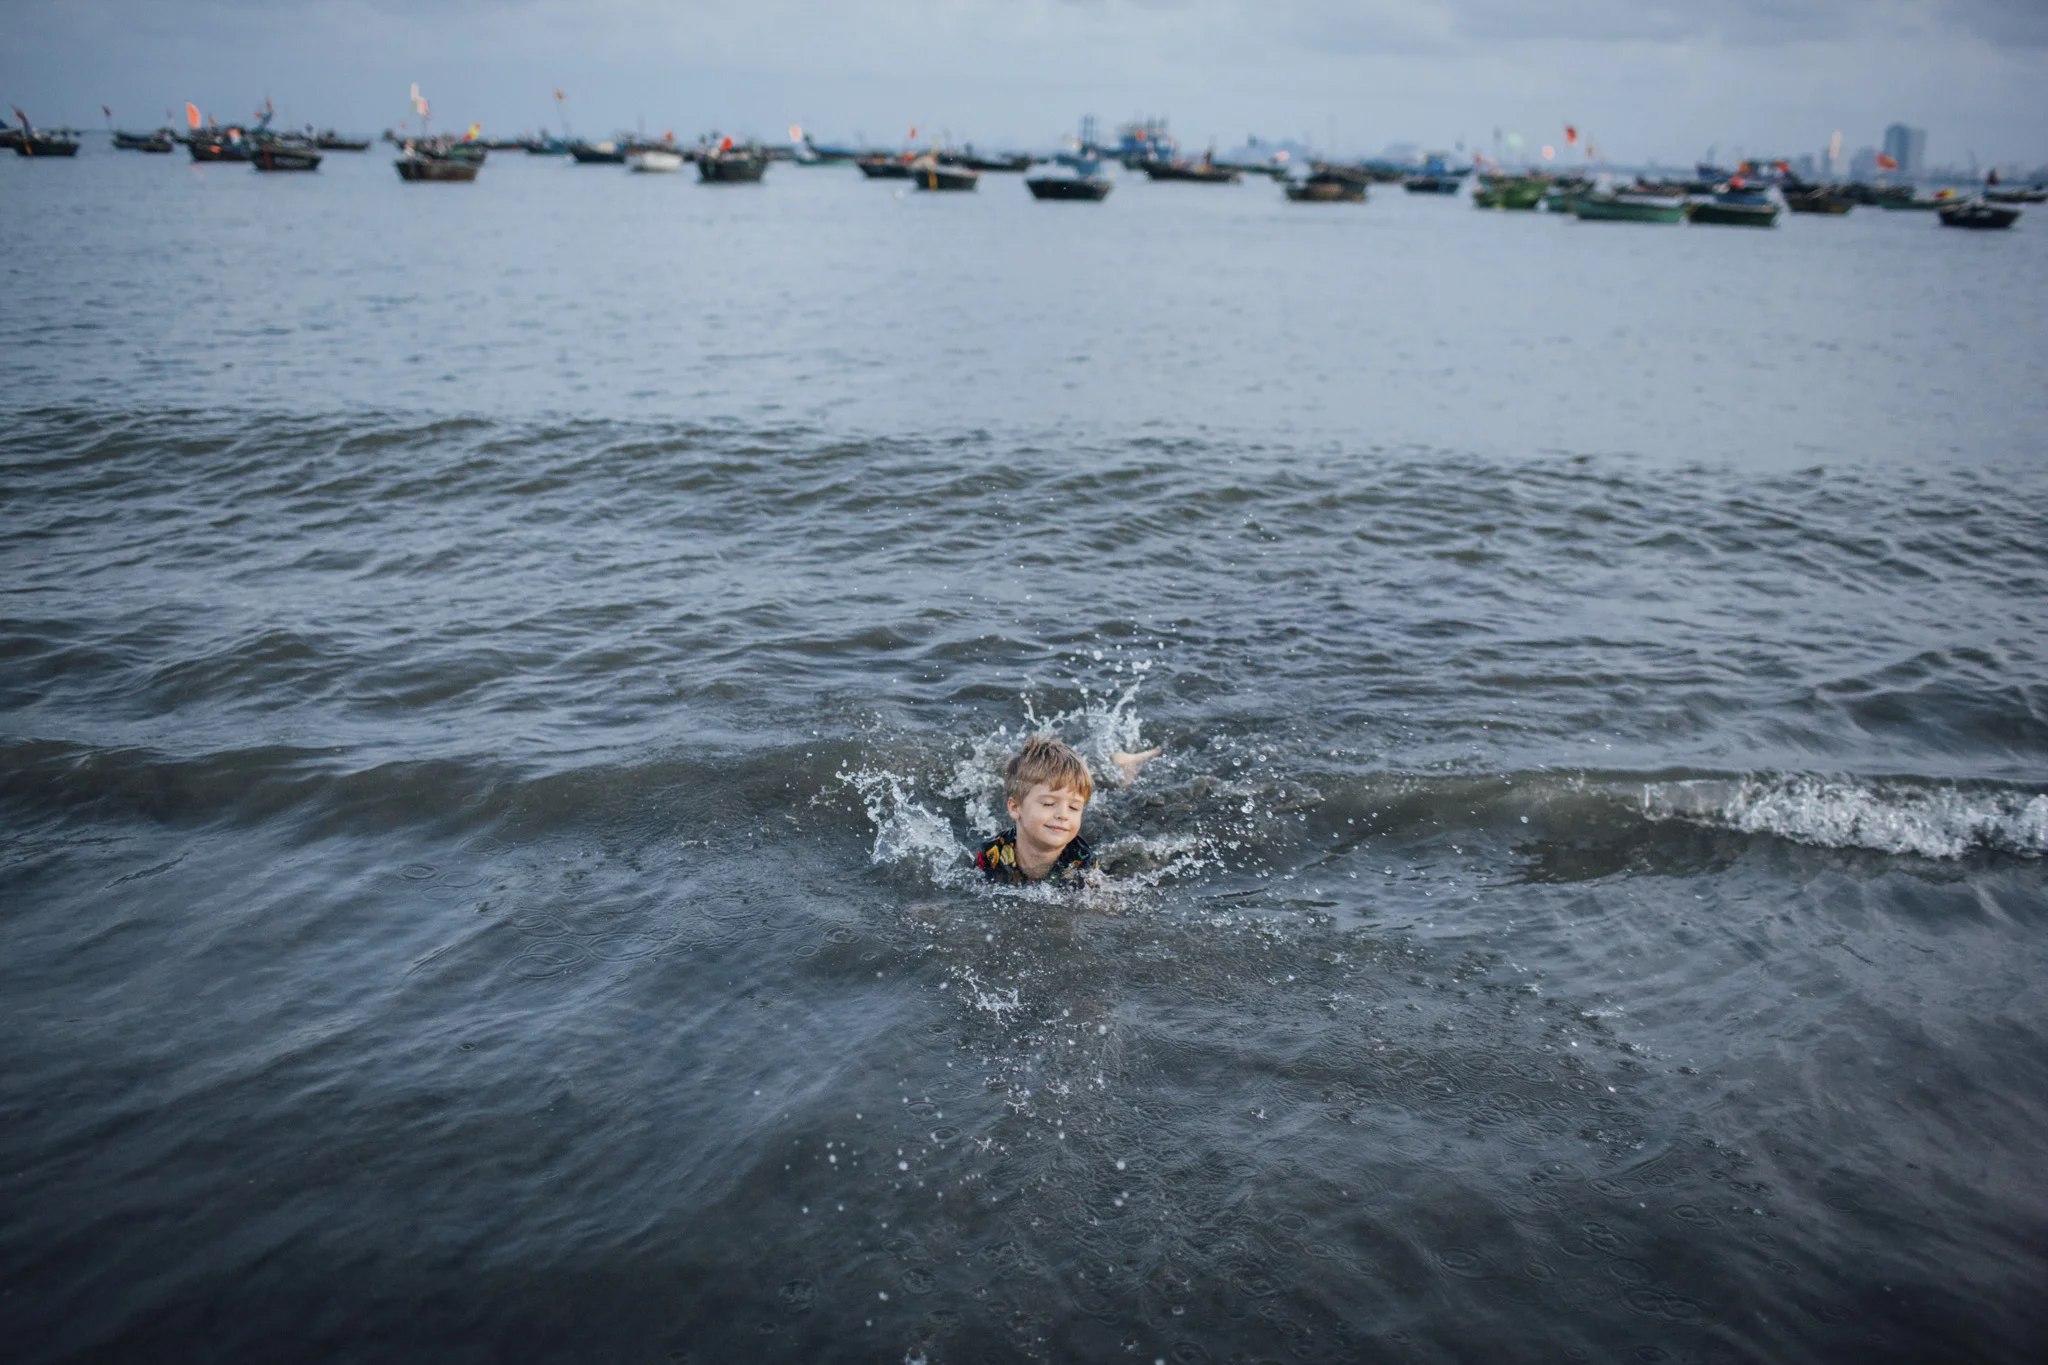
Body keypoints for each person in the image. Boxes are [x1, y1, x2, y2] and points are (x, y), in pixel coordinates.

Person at [973, 734, 1159, 886]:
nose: (1062, 815)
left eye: (1074, 807)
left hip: (1090, 838)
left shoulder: (1081, 860)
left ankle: (1125, 768)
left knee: (1123, 800)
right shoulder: (992, 853)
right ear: (1015, 807)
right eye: (1048, 804)